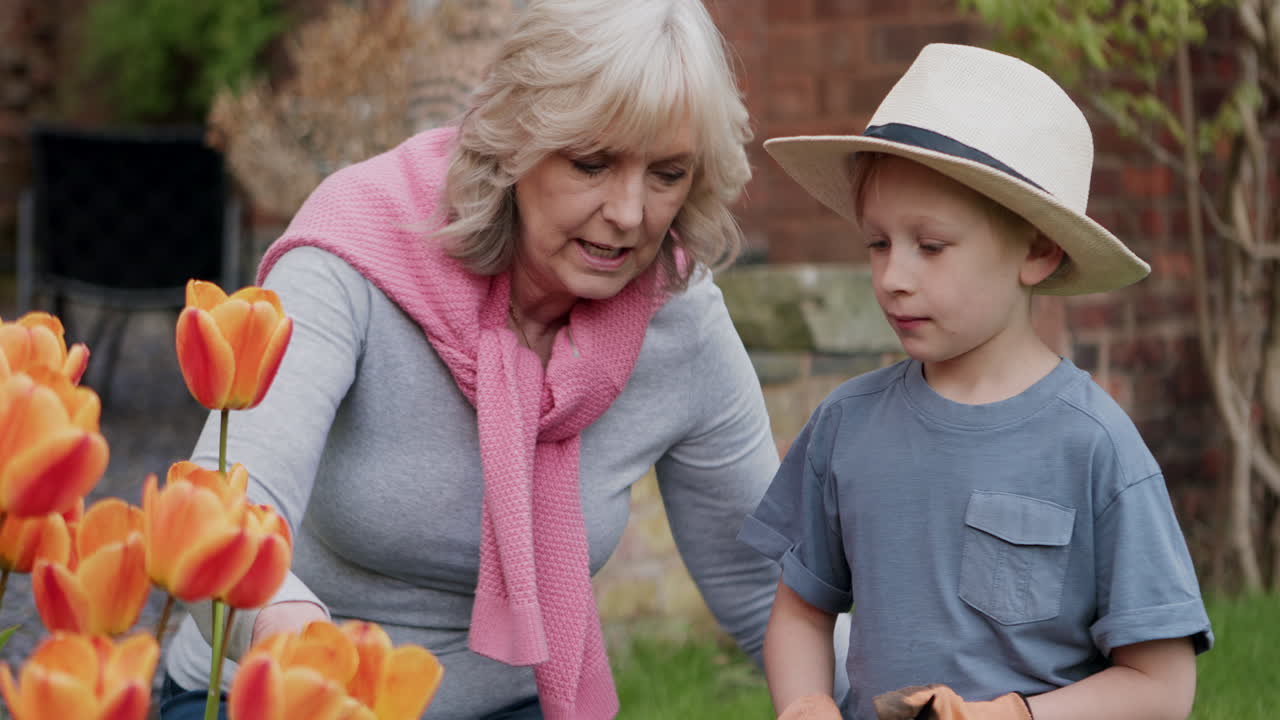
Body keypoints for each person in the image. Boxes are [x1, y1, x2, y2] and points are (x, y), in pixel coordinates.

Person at [157, 1, 782, 718]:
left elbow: (764, 585)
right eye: (591, 163)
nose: (631, 213)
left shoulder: (679, 321)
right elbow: (223, 502)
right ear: (516, 140)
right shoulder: (355, 247)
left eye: (667, 174)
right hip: (280, 695)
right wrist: (297, 644)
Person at [739, 43, 1213, 720]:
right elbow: (800, 613)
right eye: (878, 243)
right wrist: (806, 702)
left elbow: (1163, 687)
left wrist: (1015, 716)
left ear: (1038, 250)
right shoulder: (846, 426)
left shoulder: (1094, 447)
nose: (893, 276)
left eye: (930, 246)